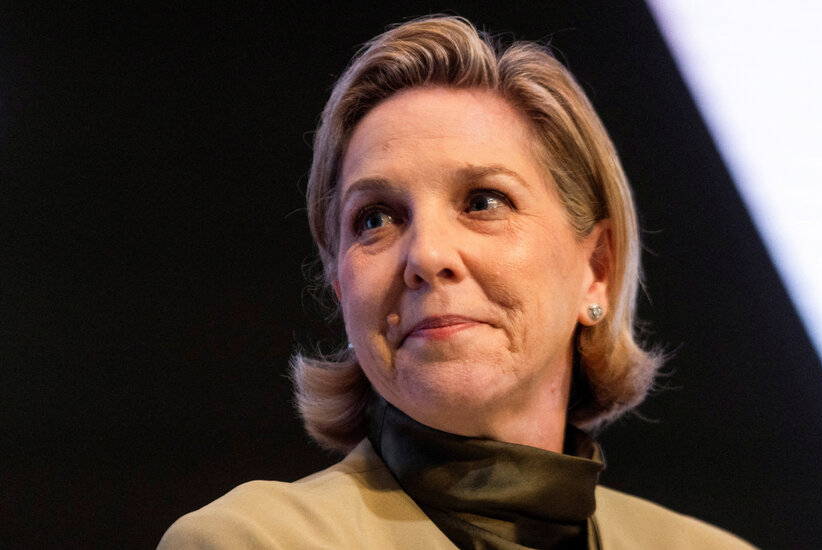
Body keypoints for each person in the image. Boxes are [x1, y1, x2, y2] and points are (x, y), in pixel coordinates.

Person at [159, 15, 753, 549]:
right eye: (375, 219)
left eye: (483, 201)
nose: (428, 255)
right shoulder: (250, 541)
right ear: (341, 288)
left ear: (596, 271)